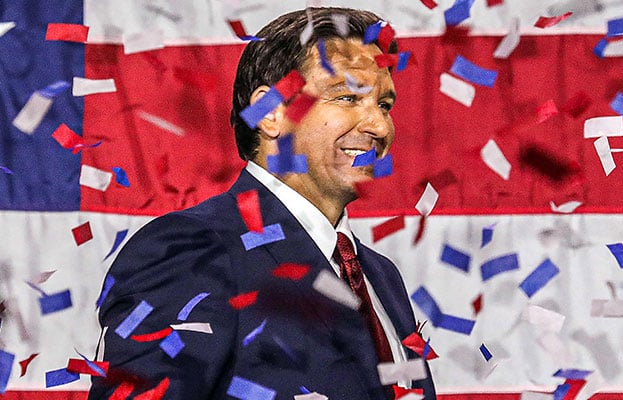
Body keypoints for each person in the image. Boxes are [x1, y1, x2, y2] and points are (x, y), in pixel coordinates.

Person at [89, 7, 436, 400]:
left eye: (385, 105)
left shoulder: (380, 274)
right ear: (271, 112)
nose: (378, 125)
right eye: (346, 97)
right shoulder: (190, 251)